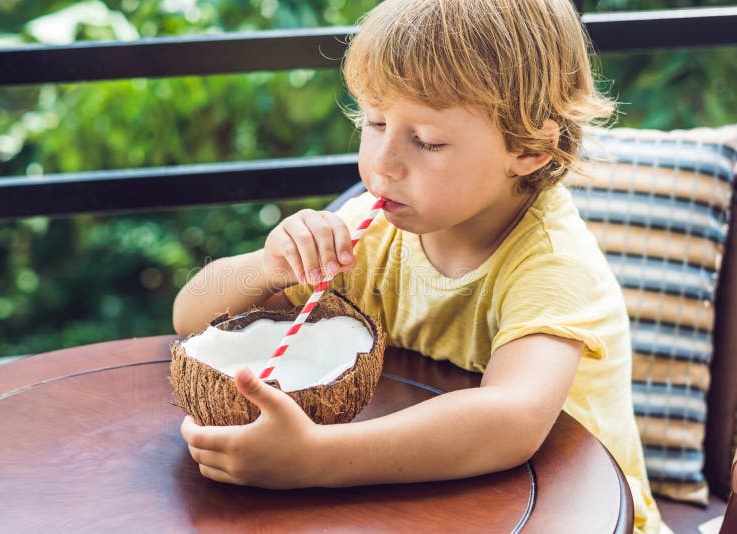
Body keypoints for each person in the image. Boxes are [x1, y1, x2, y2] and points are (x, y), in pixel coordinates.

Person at [172, 0, 660, 532]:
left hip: (573, 512)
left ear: (528, 149)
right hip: (427, 505)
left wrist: (317, 457)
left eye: (426, 141)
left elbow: (510, 419)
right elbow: (190, 313)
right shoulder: (374, 232)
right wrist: (266, 265)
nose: (383, 162)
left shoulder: (553, 266)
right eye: (376, 121)